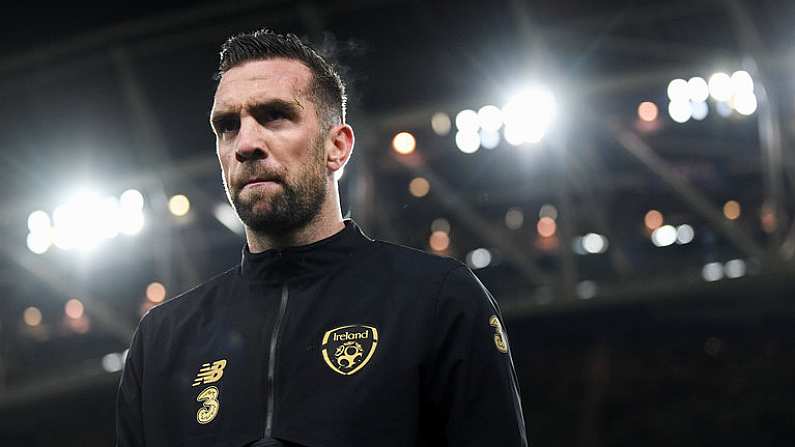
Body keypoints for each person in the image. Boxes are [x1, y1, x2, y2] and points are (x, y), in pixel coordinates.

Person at [116, 29, 527, 447]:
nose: (247, 143)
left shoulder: (437, 299)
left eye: (274, 115)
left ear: (337, 147)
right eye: (227, 126)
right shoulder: (160, 343)